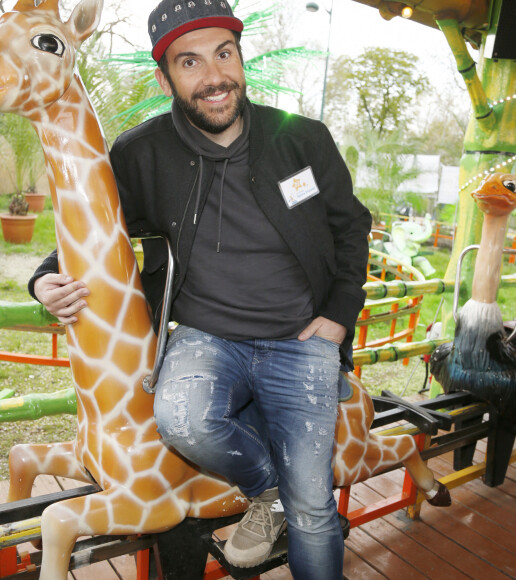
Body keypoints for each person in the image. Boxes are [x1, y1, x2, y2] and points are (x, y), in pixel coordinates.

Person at [29, 0, 371, 577]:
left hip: (302, 338)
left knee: (315, 508)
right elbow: (98, 229)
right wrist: (43, 278)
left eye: (224, 53)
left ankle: (291, 505)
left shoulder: (301, 140)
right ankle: (269, 492)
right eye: (190, 62)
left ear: (240, 58)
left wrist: (338, 314)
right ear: (165, 78)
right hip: (207, 336)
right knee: (182, 418)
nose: (213, 76)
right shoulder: (141, 153)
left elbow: (350, 227)